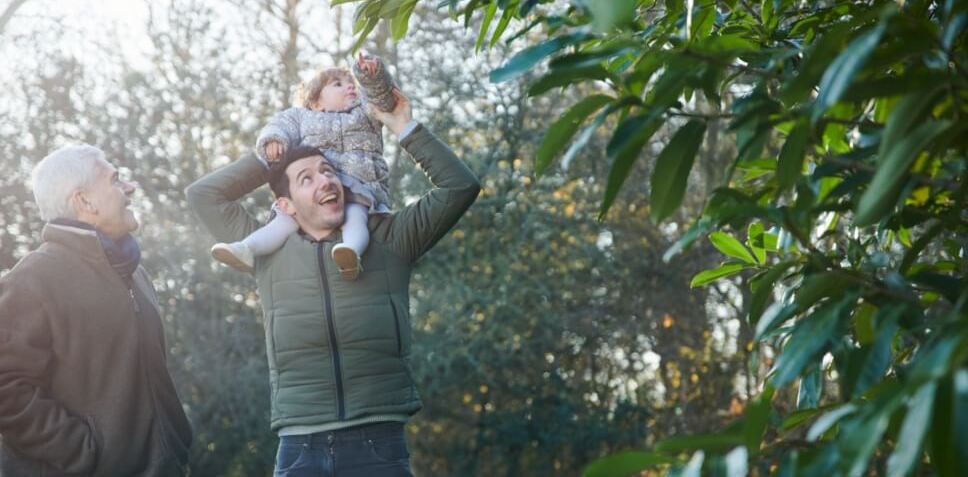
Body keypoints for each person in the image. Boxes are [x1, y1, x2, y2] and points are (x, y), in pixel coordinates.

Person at [186, 89, 480, 476]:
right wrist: (271, 155)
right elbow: (203, 195)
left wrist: (401, 125)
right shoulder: (267, 251)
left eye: (328, 171)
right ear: (286, 204)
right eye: (306, 178)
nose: (325, 181)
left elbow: (460, 187)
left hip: (379, 446)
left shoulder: (389, 240)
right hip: (298, 448)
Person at [0, 145, 193, 476]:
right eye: (115, 179)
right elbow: (7, 389)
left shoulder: (135, 273)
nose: (129, 188)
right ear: (84, 201)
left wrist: (176, 446)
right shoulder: (32, 278)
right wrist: (86, 454)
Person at [210, 53, 397, 281]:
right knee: (284, 221)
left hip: (359, 185)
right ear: (316, 101)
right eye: (338, 84)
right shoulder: (301, 117)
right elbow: (280, 125)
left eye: (353, 85)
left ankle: (351, 253)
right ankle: (246, 249)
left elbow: (383, 98)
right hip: (315, 189)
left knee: (355, 217)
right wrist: (274, 140)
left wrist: (372, 75)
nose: (350, 88)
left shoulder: (366, 114)